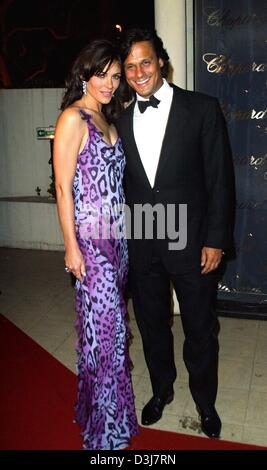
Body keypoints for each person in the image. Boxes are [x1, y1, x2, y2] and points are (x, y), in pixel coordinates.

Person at [116, 27, 235, 439]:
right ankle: (161, 389)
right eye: (129, 66)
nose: (138, 72)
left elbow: (220, 180)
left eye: (145, 62)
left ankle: (205, 401)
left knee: (200, 327)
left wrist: (216, 239)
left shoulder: (201, 108)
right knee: (151, 325)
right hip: (144, 242)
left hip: (192, 240)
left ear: (161, 62)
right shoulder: (119, 118)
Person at [53, 38, 139, 450]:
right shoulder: (73, 118)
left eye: (115, 76)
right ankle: (107, 432)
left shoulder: (109, 119)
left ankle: (100, 410)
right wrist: (71, 247)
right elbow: (63, 188)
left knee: (106, 329)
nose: (109, 83)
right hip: (91, 243)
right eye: (101, 74)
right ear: (84, 73)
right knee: (109, 333)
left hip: (117, 241)